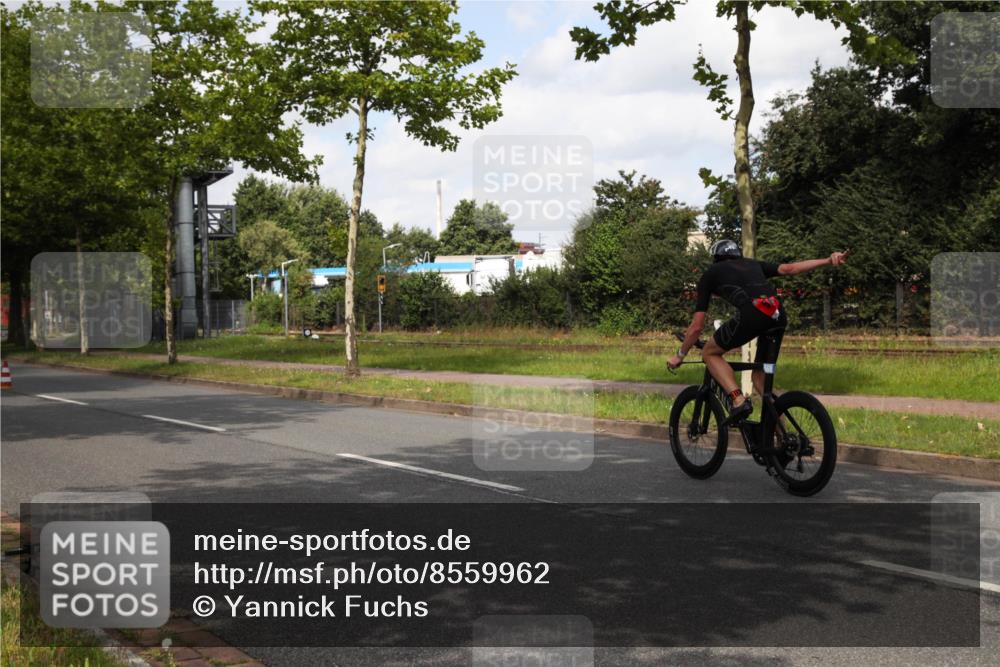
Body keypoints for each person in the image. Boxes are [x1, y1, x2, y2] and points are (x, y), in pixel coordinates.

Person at [668, 240, 849, 424]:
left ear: (716, 258)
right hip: (778, 315)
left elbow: (696, 327)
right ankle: (781, 438)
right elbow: (790, 269)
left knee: (710, 353)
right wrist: (828, 260)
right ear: (738, 255)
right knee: (760, 381)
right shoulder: (753, 264)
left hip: (753, 314)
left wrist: (680, 355)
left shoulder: (710, 274)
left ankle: (738, 400)